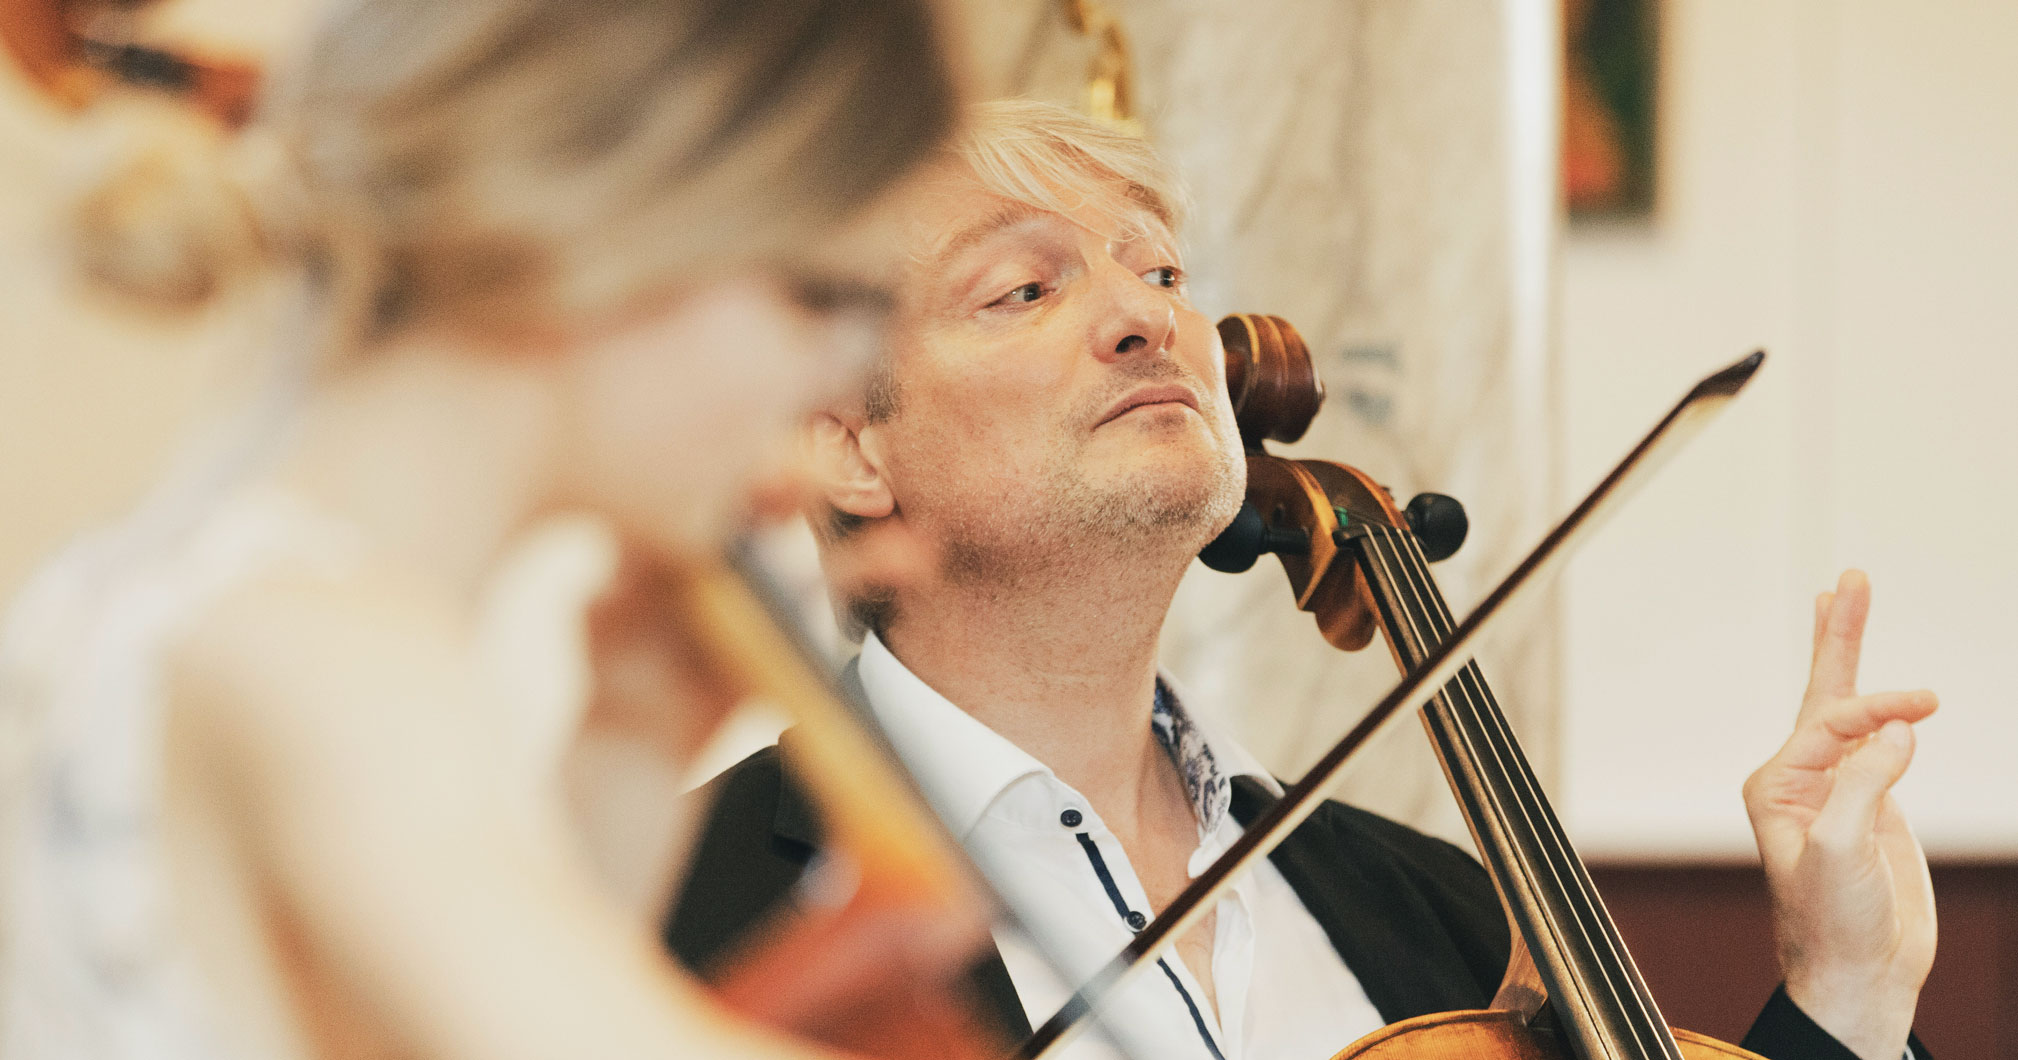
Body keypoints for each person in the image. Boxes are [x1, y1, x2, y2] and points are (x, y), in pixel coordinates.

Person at [665, 100, 1938, 1060]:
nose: (1149, 319)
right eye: (1024, 287)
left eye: (1159, 270)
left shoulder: (1447, 919)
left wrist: (1847, 994)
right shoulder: (681, 926)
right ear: (847, 444)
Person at [0, 1, 967, 1058]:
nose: (839, 374)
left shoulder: (264, 600)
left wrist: (631, 743)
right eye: (818, 297)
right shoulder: (306, 657)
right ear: (599, 228)